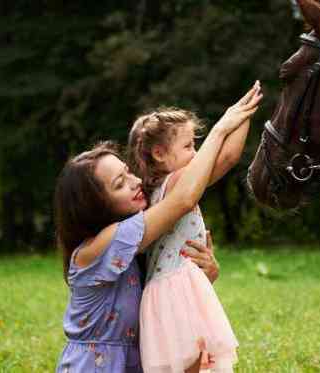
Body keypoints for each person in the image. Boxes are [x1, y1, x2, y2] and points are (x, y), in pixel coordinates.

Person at [53, 82, 262, 373]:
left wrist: (204, 275)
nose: (136, 181)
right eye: (120, 184)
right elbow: (184, 198)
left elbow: (161, 283)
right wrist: (221, 128)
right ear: (95, 207)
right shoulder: (103, 244)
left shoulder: (134, 239)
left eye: (128, 173)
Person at [127, 81, 262, 373]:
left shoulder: (160, 188)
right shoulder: (175, 182)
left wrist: (240, 115)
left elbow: (226, 158)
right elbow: (226, 158)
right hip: (175, 294)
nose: (195, 152)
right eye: (188, 146)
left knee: (200, 366)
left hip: (174, 291)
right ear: (160, 154)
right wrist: (238, 117)